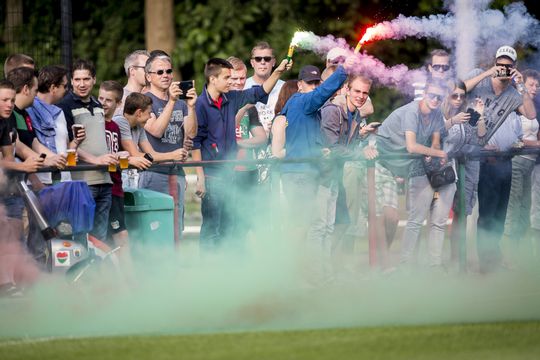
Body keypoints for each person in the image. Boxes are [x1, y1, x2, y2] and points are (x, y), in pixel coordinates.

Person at [193, 57, 291, 253]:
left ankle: (229, 272)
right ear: (213, 79)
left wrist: (278, 71)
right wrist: (201, 178)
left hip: (231, 175)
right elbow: (195, 143)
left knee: (230, 228)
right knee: (212, 228)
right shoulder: (199, 104)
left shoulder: (232, 99)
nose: (232, 82)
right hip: (212, 176)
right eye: (227, 77)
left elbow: (260, 91)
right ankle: (207, 272)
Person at [464, 45, 536, 273]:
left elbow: (531, 114)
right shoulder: (479, 77)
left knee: (499, 214)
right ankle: (485, 264)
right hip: (481, 156)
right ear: (495, 63)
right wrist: (487, 72)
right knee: (486, 213)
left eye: (508, 66)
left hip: (504, 160)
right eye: (501, 64)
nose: (504, 69)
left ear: (514, 68)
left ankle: (493, 258)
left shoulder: (514, 93)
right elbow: (459, 89)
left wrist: (521, 84)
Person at [375, 79, 454, 269]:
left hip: (408, 162)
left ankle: (430, 266)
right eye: (432, 95)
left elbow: (434, 142)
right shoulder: (412, 111)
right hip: (384, 161)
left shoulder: (435, 114)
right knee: (411, 220)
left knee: (427, 218)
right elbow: (411, 146)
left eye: (439, 97)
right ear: (424, 94)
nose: (435, 99)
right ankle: (402, 266)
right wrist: (438, 153)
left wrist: (434, 154)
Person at [312, 74, 378, 273]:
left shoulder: (355, 115)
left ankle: (325, 267)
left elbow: (345, 143)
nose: (360, 96)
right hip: (319, 175)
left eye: (365, 93)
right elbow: (332, 146)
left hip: (334, 175)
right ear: (347, 89)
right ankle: (316, 270)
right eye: (357, 91)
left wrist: (361, 136)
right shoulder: (333, 111)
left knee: (334, 224)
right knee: (320, 226)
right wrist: (360, 152)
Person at [57, 59, 118, 245]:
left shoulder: (98, 105)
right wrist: (95, 159)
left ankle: (96, 274)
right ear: (72, 80)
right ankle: (80, 273)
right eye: (77, 79)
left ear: (94, 80)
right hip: (82, 182)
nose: (82, 84)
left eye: (86, 79)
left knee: (99, 238)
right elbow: (67, 145)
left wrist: (115, 154)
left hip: (105, 180)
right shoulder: (64, 106)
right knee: (81, 237)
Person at [140, 53, 197, 244]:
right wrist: (171, 102)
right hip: (154, 172)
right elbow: (156, 130)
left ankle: (173, 270)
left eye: (169, 71)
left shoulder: (181, 102)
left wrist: (191, 107)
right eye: (160, 72)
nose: (166, 75)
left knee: (175, 228)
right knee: (154, 227)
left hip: (176, 172)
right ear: (149, 76)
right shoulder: (144, 101)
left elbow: (192, 133)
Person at [0, 79, 42, 297]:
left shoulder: (6, 123)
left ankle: (10, 284)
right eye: (4, 100)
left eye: (12, 100)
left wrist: (22, 168)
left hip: (7, 188)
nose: (9, 105)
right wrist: (23, 166)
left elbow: (7, 157)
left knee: (12, 235)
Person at [441, 80, 486, 264]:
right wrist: (452, 121)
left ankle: (456, 259)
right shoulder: (439, 113)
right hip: (442, 169)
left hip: (465, 169)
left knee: (461, 214)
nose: (459, 99)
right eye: (455, 95)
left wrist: (479, 116)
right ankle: (432, 261)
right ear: (447, 96)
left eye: (462, 95)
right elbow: (432, 134)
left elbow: (479, 139)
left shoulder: (467, 114)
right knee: (438, 214)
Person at [227, 56, 267, 246]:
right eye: (234, 78)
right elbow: (227, 130)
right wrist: (243, 109)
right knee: (228, 222)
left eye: (242, 78)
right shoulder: (221, 102)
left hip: (249, 171)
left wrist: (241, 143)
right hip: (228, 171)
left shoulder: (250, 107)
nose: (238, 82)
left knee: (247, 220)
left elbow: (261, 137)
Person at [502, 69, 540, 266]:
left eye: (536, 85)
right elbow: (514, 138)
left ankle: (516, 255)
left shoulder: (534, 108)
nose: (534, 88)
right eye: (530, 84)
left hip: (531, 163)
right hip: (516, 162)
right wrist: (537, 145)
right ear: (522, 84)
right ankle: (507, 257)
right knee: (513, 209)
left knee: (525, 211)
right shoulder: (516, 104)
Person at [244, 42, 285, 135]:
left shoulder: (284, 87)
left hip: (276, 142)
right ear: (252, 63)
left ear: (274, 62)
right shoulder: (242, 86)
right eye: (258, 59)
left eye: (267, 59)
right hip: (249, 143)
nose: (262, 62)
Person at [114, 50, 150, 117]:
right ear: (132, 71)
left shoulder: (147, 97)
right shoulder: (122, 100)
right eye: (146, 68)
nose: (150, 72)